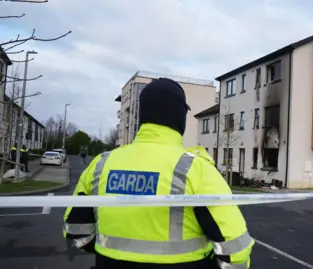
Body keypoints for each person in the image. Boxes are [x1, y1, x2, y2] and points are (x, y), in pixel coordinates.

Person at [63, 78, 254, 269]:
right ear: (180, 117)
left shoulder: (101, 164)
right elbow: (236, 249)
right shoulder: (197, 169)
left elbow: (76, 230)